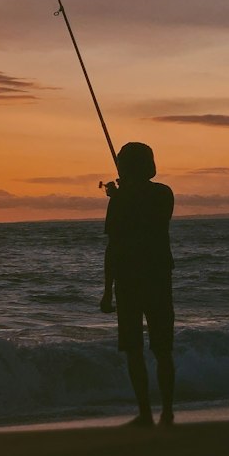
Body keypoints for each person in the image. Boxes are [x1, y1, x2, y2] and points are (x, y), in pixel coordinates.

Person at [100, 141, 175, 427]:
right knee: (163, 348)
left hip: (130, 281)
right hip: (159, 278)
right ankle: (166, 412)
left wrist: (107, 290)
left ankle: (146, 413)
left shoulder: (120, 200)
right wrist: (123, 194)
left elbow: (114, 247)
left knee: (134, 348)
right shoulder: (164, 193)